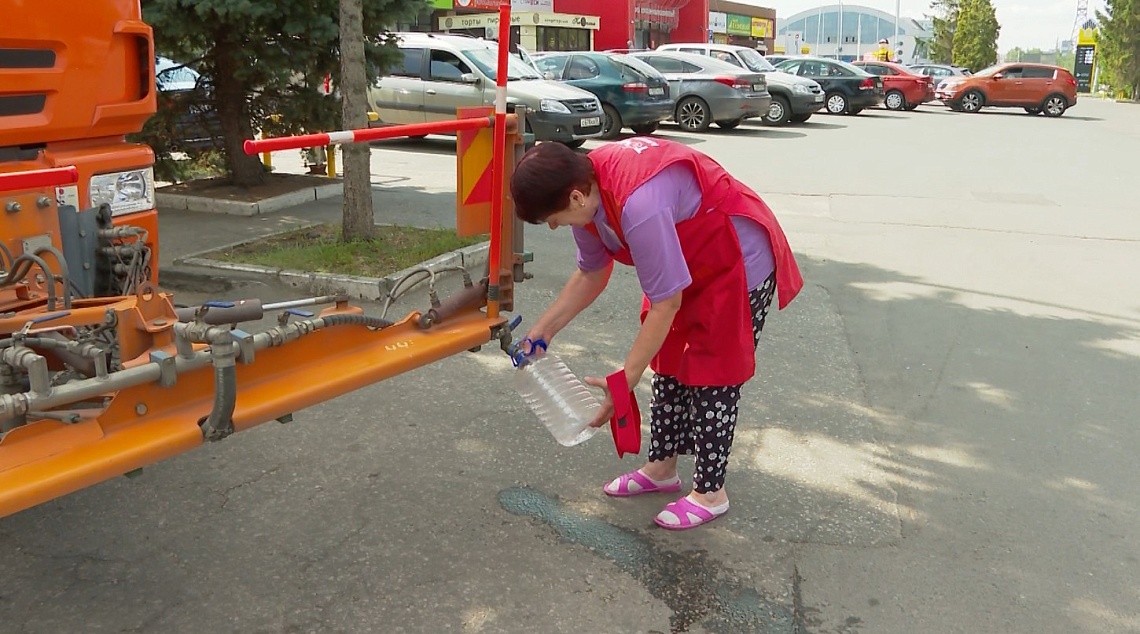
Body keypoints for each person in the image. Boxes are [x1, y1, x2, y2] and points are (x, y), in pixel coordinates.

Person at [509, 137, 803, 530]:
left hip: (736, 257)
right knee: (668, 362)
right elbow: (591, 273)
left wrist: (624, 382)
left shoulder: (638, 203)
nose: (553, 225)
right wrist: (541, 334)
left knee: (714, 375)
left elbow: (666, 304)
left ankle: (711, 492)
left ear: (576, 197)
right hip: (687, 258)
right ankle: (662, 468)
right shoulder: (586, 193)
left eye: (553, 216)